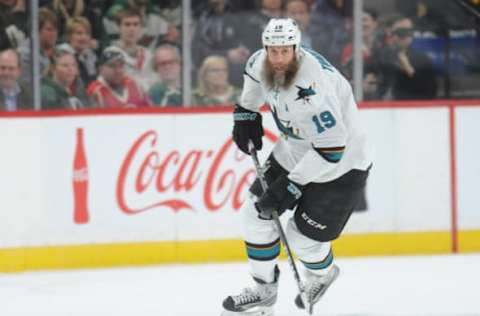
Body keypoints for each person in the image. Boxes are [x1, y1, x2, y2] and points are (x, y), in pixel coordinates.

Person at [222, 18, 371, 315]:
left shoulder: (314, 87)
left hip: (341, 164)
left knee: (301, 240)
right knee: (255, 213)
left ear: (296, 48)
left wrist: (292, 184)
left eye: (284, 51)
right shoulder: (258, 62)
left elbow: (331, 148)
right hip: (294, 148)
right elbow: (252, 88)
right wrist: (246, 114)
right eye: (272, 51)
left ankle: (322, 274)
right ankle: (264, 291)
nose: (277, 59)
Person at [41, 44, 93, 110]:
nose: (70, 69)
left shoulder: (80, 89)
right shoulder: (48, 94)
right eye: (65, 65)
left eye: (73, 65)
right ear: (53, 69)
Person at [65, 16, 98, 86]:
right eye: (79, 33)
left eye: (87, 33)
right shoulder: (63, 56)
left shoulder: (90, 56)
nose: (84, 37)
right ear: (69, 36)